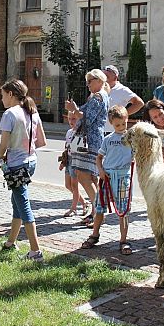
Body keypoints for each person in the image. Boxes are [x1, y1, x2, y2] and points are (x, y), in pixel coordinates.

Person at [0, 79, 47, 262]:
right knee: (17, 202)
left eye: (3, 95)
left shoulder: (10, 114)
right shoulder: (32, 112)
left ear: (11, 94)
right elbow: (42, 142)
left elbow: (2, 145)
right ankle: (11, 241)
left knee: (23, 204)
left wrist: (3, 157)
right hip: (31, 162)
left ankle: (35, 251)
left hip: (15, 164)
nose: (2, 99)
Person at [81, 106, 134, 254]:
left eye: (124, 124)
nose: (121, 127)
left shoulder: (131, 139)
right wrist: (101, 171)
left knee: (123, 210)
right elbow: (99, 158)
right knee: (100, 207)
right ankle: (94, 234)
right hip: (107, 177)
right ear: (111, 123)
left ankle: (123, 240)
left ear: (127, 120)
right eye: (118, 125)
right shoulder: (108, 139)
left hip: (123, 178)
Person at [65, 69, 110, 226]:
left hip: (90, 140)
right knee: (91, 177)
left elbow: (87, 118)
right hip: (92, 140)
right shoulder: (98, 96)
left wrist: (74, 110)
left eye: (90, 80)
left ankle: (99, 211)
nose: (88, 84)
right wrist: (75, 108)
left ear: (99, 80)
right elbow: (83, 110)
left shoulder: (98, 97)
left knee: (83, 176)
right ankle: (95, 212)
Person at [59, 111, 88, 217]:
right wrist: (63, 161)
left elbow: (82, 149)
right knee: (68, 185)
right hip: (69, 160)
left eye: (74, 119)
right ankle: (84, 202)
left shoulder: (81, 133)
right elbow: (66, 148)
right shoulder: (69, 132)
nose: (71, 121)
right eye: (69, 118)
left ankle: (74, 208)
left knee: (74, 186)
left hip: (76, 160)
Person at [102, 65, 144, 134]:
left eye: (107, 76)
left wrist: (122, 115)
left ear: (115, 77)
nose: (104, 78)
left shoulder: (122, 90)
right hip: (99, 130)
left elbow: (139, 103)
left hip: (114, 131)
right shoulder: (100, 88)